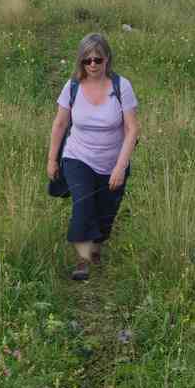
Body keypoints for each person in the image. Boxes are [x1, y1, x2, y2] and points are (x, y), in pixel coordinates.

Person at [46, 33, 140, 281]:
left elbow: (132, 129)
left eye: (98, 59)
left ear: (107, 59)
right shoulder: (72, 87)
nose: (93, 65)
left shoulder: (122, 86)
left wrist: (120, 167)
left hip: (112, 161)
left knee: (106, 212)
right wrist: (52, 159)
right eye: (87, 60)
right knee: (83, 205)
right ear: (80, 61)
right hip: (78, 156)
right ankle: (82, 260)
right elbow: (60, 124)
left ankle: (96, 246)